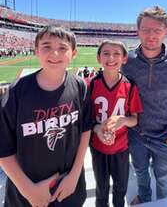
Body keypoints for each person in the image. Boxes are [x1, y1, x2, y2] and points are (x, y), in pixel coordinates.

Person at [0, 26, 92, 207]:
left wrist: (74, 176)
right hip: (26, 192)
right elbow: (3, 148)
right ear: (36, 51)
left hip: (69, 186)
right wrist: (28, 190)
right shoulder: (16, 92)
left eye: (63, 48)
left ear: (74, 53)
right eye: (47, 46)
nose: (55, 53)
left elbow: (85, 130)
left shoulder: (80, 86)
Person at [122, 6, 167, 204]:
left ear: (166, 31)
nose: (151, 35)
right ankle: (145, 198)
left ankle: (164, 203)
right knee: (140, 173)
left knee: (164, 179)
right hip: (137, 133)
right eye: (146, 30)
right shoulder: (127, 60)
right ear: (137, 31)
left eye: (157, 30)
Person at [90, 40, 143, 207]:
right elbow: (86, 119)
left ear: (124, 58)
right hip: (98, 147)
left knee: (120, 189)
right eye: (106, 53)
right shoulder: (91, 84)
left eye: (116, 53)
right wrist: (98, 128)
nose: (111, 57)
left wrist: (123, 120)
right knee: (101, 189)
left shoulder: (130, 85)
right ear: (99, 58)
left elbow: (135, 120)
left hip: (121, 147)